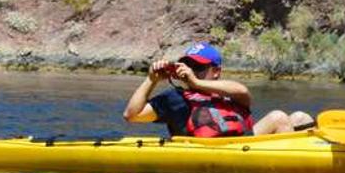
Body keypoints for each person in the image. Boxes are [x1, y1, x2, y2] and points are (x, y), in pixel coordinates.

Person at [123, 41, 314, 137]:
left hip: (243, 144)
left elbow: (242, 91)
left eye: (198, 67)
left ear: (216, 71)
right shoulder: (176, 99)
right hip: (217, 150)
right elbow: (131, 115)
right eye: (188, 66)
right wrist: (151, 80)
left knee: (301, 117)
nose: (191, 71)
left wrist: (196, 83)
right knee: (279, 117)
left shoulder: (230, 92)